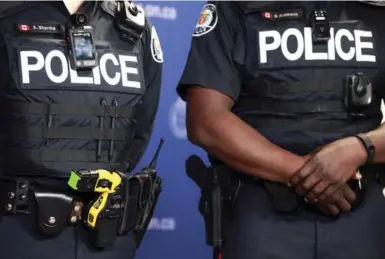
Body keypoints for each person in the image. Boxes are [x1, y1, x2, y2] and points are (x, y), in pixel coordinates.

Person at [177, 1, 385, 259]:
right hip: (261, 216)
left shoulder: (376, 11)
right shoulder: (235, 7)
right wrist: (309, 175)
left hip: (360, 215)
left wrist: (359, 147)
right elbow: (205, 121)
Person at [0, 1, 163, 259]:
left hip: (106, 238)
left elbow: (137, 136)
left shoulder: (135, 28)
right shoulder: (7, 16)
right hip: (17, 235)